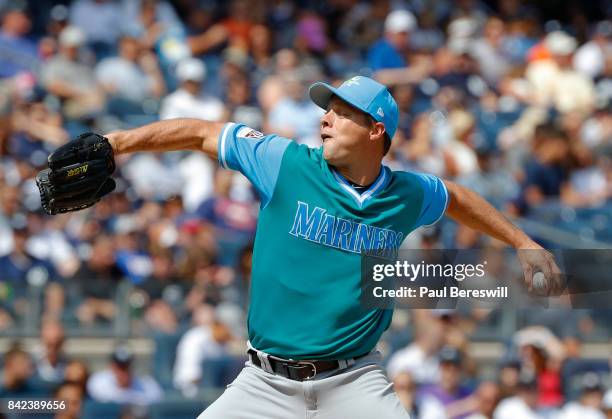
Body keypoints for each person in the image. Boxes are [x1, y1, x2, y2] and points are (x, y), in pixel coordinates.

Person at [96, 75, 558, 418]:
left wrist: (521, 241)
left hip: (354, 381)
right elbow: (201, 133)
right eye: (327, 108)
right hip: (263, 384)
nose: (326, 118)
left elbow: (456, 197)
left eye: (341, 112)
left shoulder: (405, 194)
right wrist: (116, 143)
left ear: (376, 130)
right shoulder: (284, 163)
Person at [87, 344, 163, 406]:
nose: (123, 371)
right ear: (112, 366)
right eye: (120, 367)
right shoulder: (97, 382)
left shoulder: (148, 385)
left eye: (127, 366)